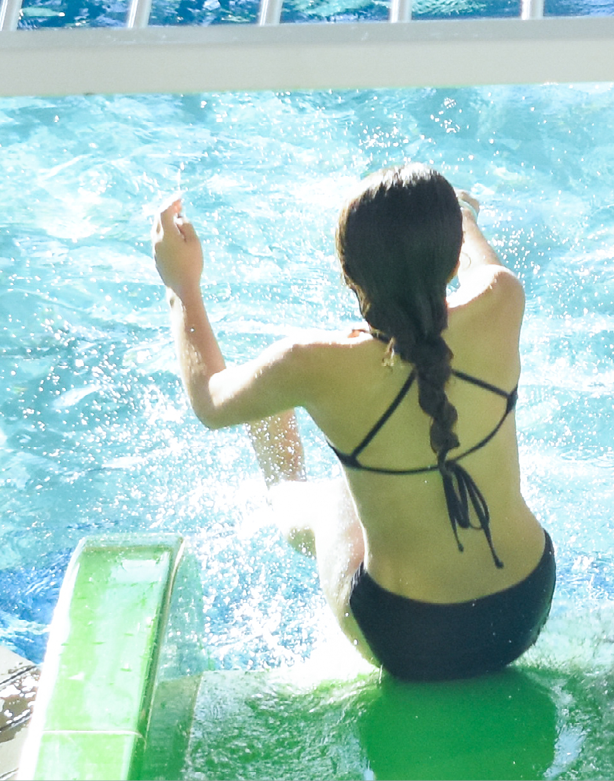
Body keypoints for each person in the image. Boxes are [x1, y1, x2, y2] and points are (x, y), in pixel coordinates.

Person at [150, 164, 552, 682]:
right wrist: (462, 214)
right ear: (452, 255)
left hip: (405, 639)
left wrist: (180, 283)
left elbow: (208, 399)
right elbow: (473, 261)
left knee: (328, 494)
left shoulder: (310, 365)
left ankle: (283, 487)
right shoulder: (503, 299)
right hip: (525, 608)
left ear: (348, 274)